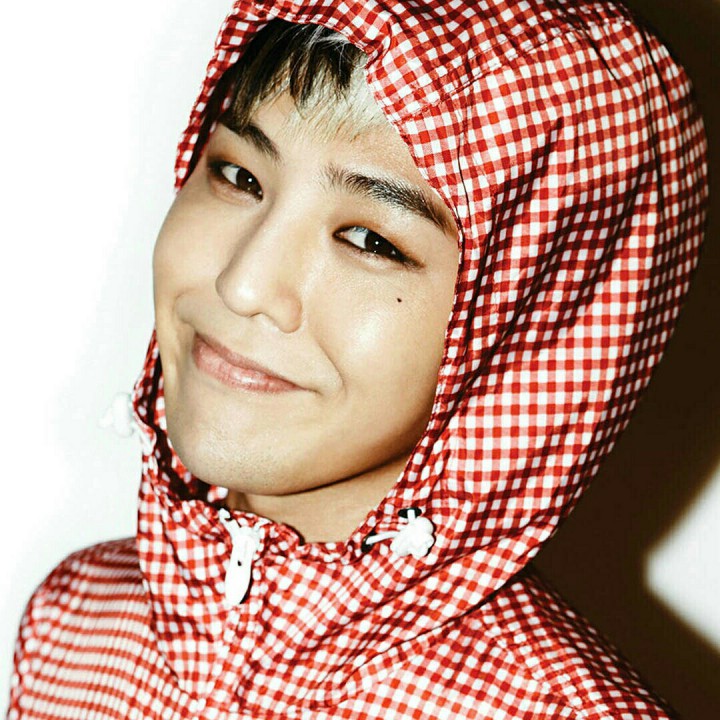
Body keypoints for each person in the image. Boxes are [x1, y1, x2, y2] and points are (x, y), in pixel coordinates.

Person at [7, 1, 708, 718]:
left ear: (526, 328)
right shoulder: (72, 628)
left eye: (372, 241)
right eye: (239, 176)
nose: (243, 284)